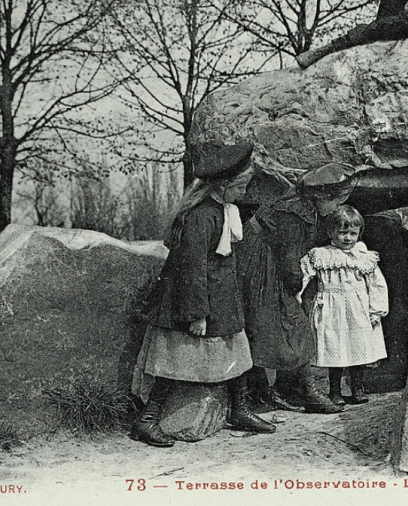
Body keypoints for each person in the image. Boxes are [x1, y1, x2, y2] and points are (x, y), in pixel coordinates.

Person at [131, 142, 276, 448]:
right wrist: (197, 313)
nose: (245, 192)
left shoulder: (224, 210)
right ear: (224, 185)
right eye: (242, 186)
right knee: (176, 360)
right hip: (195, 300)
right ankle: (146, 420)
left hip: (221, 299)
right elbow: (191, 267)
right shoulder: (201, 216)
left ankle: (239, 409)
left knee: (237, 353)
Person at [236, 162, 358, 414]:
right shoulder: (295, 214)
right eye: (335, 202)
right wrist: (294, 287)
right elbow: (289, 258)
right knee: (291, 320)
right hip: (260, 259)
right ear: (322, 197)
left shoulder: (303, 206)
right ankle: (306, 392)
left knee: (268, 321)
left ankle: (276, 389)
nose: (337, 209)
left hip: (264, 255)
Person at [298, 205, 389, 405]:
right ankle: (335, 391)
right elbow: (303, 276)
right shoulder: (320, 255)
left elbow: (376, 284)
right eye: (342, 233)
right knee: (335, 349)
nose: (347, 238)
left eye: (352, 233)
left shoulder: (363, 256)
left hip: (357, 307)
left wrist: (377, 309)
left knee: (358, 348)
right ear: (331, 232)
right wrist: (296, 295)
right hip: (332, 308)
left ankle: (357, 388)